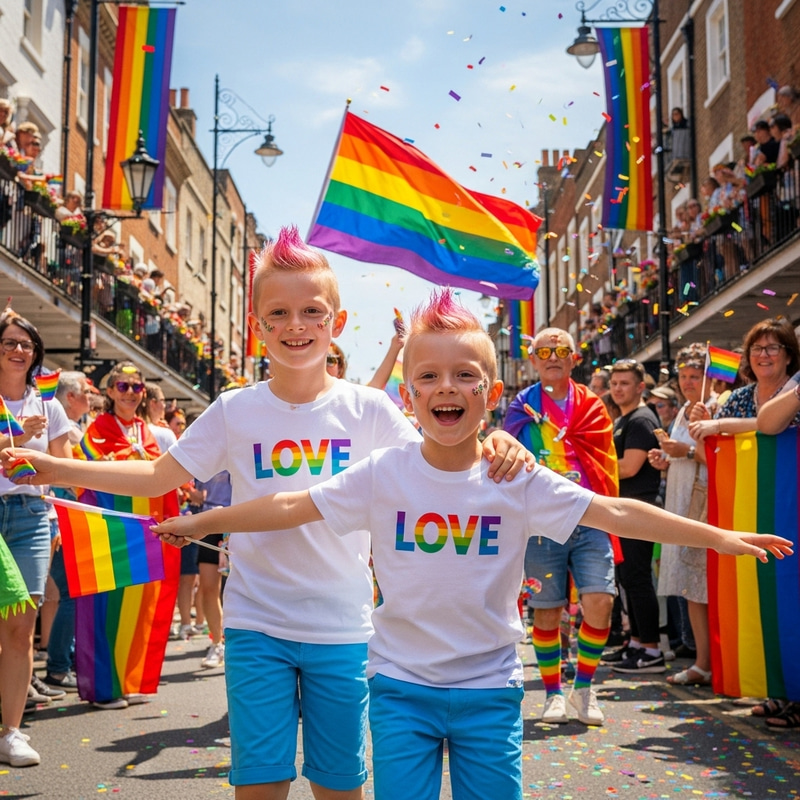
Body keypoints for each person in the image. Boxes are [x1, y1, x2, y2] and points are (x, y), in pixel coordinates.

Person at [150, 289, 792, 800]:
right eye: (428, 376)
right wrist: (204, 522)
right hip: (398, 690)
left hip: (490, 691)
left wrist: (721, 536)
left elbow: (618, 510)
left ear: (492, 391)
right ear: (410, 394)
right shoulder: (384, 471)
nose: (447, 387)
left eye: (465, 375)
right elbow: (294, 503)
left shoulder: (514, 477)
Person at [1, 226, 531, 799]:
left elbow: (437, 460)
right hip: (257, 625)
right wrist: (58, 469)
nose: (297, 325)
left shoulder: (370, 409)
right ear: (257, 327)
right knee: (261, 782)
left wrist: (501, 444)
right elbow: (160, 474)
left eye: (312, 311)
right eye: (279, 312)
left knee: (339, 785)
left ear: (338, 323)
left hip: (345, 630)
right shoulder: (236, 409)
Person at [503, 328, 619, 726]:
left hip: (589, 515)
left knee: (600, 600)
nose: (553, 356)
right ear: (533, 360)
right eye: (544, 351)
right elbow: (506, 456)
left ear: (574, 358)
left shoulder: (592, 405)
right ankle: (553, 693)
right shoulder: (521, 405)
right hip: (542, 523)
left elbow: (605, 458)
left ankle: (583, 689)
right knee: (547, 611)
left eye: (561, 350)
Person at [689, 319, 800, 725]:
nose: (764, 355)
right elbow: (711, 458)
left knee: (792, 600)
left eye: (773, 348)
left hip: (793, 507)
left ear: (789, 354)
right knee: (757, 598)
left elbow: (774, 425)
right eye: (757, 349)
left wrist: (721, 425)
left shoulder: (794, 389)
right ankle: (777, 689)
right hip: (749, 513)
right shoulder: (737, 398)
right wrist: (703, 430)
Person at [74, 361, 180, 711]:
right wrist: (128, 456)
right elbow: (89, 465)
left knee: (138, 605)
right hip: (109, 531)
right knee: (105, 606)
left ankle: (129, 680)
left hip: (139, 532)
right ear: (109, 391)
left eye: (137, 388)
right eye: (123, 387)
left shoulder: (145, 430)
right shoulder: (99, 426)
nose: (132, 394)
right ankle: (103, 687)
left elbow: (158, 472)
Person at [0, 312, 72, 768]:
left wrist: (59, 517)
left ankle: (11, 732)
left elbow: (64, 468)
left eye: (26, 344)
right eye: (9, 342)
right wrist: (16, 441)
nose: (18, 350)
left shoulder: (49, 405)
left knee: (22, 626)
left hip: (32, 516)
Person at [648, 344, 715, 686]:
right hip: (680, 498)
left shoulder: (712, 405)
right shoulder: (684, 409)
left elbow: (717, 457)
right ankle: (702, 661)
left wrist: (685, 451)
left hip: (702, 504)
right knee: (690, 587)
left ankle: (708, 661)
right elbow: (683, 455)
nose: (689, 383)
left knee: (702, 586)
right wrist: (665, 459)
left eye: (695, 376)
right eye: (684, 377)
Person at [604, 360, 665, 674]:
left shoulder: (640, 419)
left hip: (639, 509)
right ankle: (637, 642)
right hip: (624, 510)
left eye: (624, 383)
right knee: (628, 578)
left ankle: (652, 649)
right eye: (614, 383)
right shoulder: (624, 419)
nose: (617, 389)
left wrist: (592, 467)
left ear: (641, 387)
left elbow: (628, 467)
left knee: (639, 579)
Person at [41, 371, 93, 694]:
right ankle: (58, 668)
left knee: (69, 593)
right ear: (70, 397)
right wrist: (59, 522)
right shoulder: (64, 430)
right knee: (71, 592)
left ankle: (63, 662)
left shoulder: (71, 428)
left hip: (61, 519)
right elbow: (61, 480)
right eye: (86, 392)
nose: (92, 398)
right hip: (56, 519)